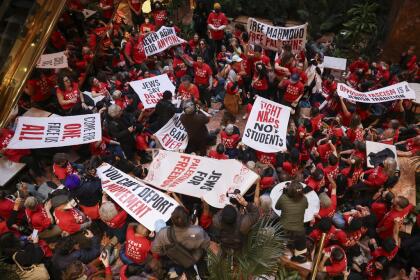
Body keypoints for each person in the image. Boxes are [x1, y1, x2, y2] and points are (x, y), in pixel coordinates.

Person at [152, 206, 210, 279]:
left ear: (172, 220)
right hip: (197, 258)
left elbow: (155, 249)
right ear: (188, 219)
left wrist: (169, 251)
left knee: (190, 273)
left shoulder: (162, 233)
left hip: (182, 260)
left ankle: (193, 277)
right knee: (204, 272)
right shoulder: (197, 231)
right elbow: (206, 244)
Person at [275, 180, 308, 262]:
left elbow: (277, 207)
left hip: (283, 229)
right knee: (301, 240)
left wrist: (284, 194)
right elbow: (306, 206)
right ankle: (299, 256)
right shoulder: (304, 199)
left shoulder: (283, 198)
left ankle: (278, 251)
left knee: (280, 238)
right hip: (299, 232)